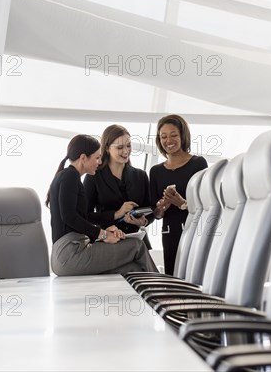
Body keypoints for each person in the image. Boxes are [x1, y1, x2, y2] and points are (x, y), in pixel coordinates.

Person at [46, 134, 157, 276]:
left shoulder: (66, 176)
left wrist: (107, 230)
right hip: (70, 253)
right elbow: (70, 217)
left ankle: (152, 295)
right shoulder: (70, 176)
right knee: (137, 246)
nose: (99, 162)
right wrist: (103, 234)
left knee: (134, 269)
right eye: (97, 158)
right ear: (83, 158)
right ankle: (164, 293)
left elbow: (81, 218)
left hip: (67, 253)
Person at [150, 115, 208, 275]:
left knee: (192, 278)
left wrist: (182, 203)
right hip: (169, 234)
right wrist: (163, 206)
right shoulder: (156, 171)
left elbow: (206, 206)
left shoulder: (198, 164)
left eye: (173, 135)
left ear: (182, 135)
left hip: (193, 232)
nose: (169, 140)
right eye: (163, 136)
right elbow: (156, 213)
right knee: (171, 279)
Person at [83, 124, 154, 250]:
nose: (126, 151)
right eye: (120, 147)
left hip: (137, 241)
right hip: (108, 242)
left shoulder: (140, 176)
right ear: (107, 148)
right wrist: (117, 214)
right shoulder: (94, 176)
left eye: (128, 146)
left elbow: (149, 210)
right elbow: (86, 215)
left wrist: (141, 222)